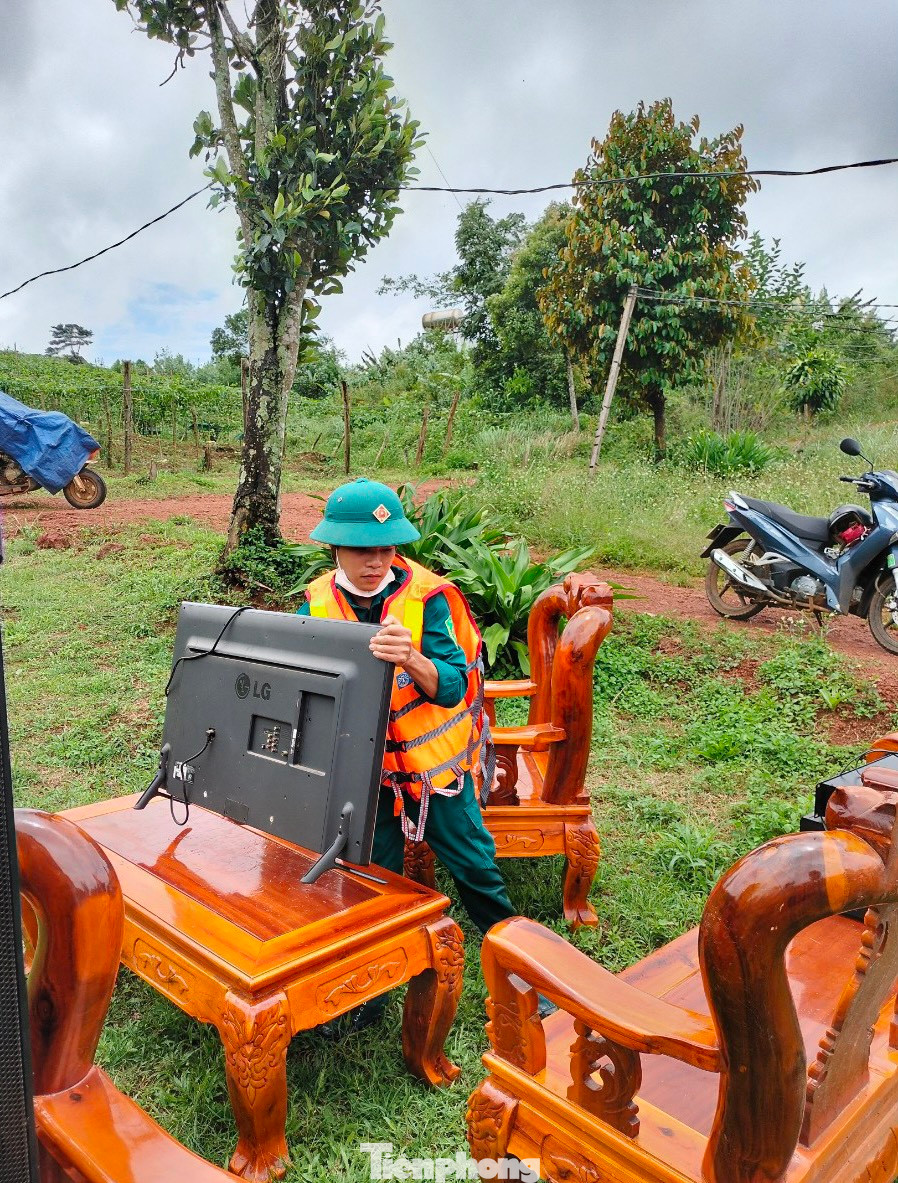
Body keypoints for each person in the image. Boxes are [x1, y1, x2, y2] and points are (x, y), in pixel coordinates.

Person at [297, 479, 515, 991]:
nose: (376, 562)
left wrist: (412, 658)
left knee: (474, 864)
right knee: (370, 871)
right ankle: (373, 981)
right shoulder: (315, 602)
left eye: (386, 549)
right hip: (363, 771)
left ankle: (519, 964)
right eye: (361, 551)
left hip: (432, 769)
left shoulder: (430, 598)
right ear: (335, 549)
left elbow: (456, 686)